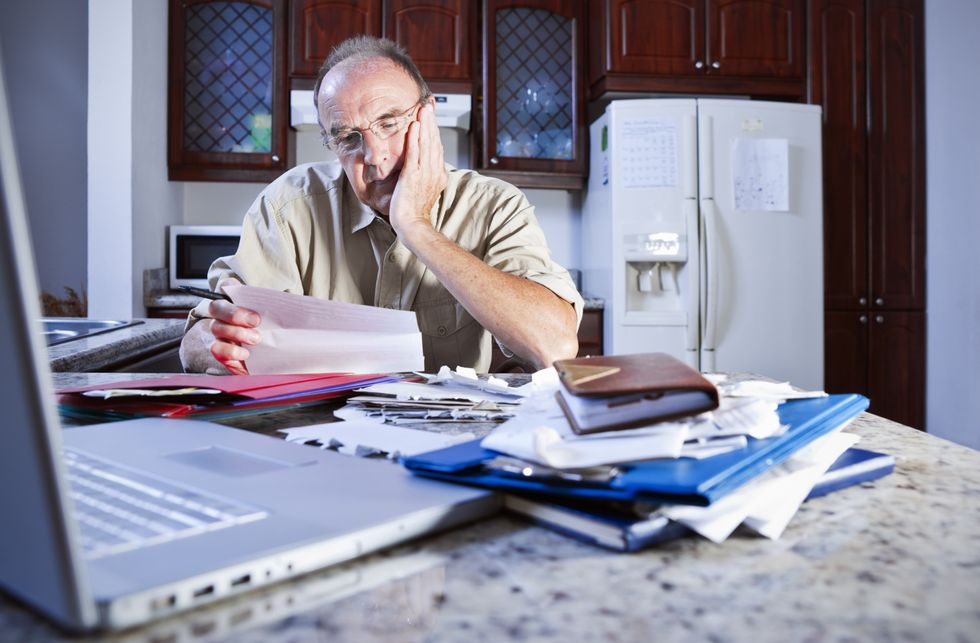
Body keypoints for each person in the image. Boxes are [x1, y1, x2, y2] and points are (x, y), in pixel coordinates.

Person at [179, 36, 583, 375]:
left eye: (389, 123)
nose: (374, 156)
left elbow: (555, 348)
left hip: (446, 439)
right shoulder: (288, 205)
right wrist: (211, 344)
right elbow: (197, 343)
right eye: (348, 138)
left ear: (428, 118)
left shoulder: (496, 206)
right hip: (323, 432)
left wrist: (416, 226)